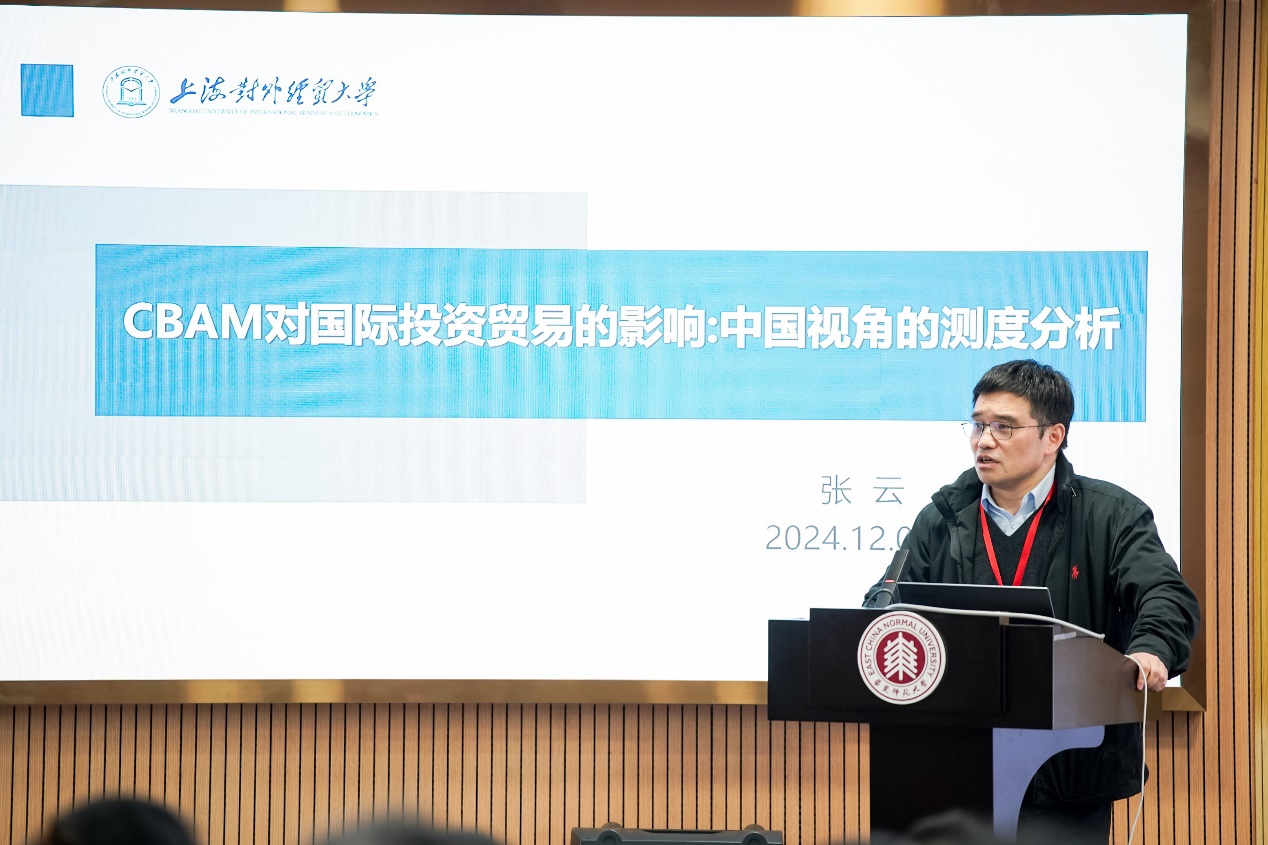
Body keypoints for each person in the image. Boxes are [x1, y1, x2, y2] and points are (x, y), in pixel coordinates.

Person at [864, 359, 1200, 844]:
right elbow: (886, 601)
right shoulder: (942, 517)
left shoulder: (1109, 515)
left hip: (1067, 779)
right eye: (978, 425)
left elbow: (1165, 594)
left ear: (1052, 436)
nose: (984, 441)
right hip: (952, 773)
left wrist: (1151, 648)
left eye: (1004, 427)